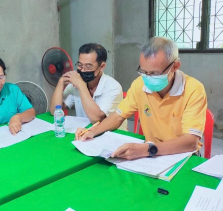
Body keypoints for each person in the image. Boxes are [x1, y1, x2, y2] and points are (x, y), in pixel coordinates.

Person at [76, 37, 207, 160]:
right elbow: (117, 117)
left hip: (183, 155)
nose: (148, 78)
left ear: (175, 66)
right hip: (151, 153)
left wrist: (146, 149)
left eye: (155, 73)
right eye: (144, 72)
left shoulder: (193, 89)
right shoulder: (140, 85)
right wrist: (92, 131)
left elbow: (190, 142)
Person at [50, 43, 127, 129]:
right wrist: (61, 82)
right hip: (85, 133)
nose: (82, 70)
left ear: (102, 66)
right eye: (80, 65)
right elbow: (54, 111)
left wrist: (81, 86)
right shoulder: (75, 83)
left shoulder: (113, 87)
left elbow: (96, 119)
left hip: (112, 134)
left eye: (88, 67)